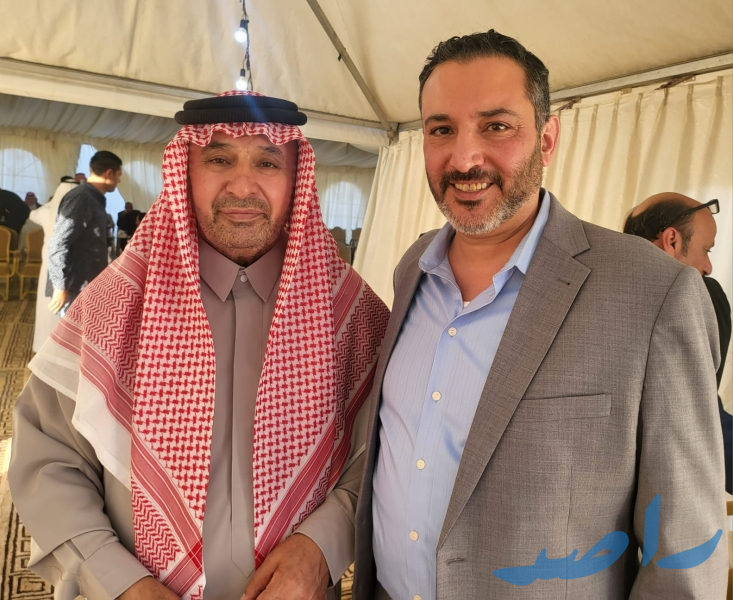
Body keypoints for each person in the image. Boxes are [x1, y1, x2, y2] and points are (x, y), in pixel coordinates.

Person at [352, 30, 727, 599]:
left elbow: (685, 557)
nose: (465, 157)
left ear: (547, 140)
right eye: (441, 129)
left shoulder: (654, 293)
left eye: (496, 126)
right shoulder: (414, 269)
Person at [9, 92, 389, 600]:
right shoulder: (114, 304)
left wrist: (322, 547)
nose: (243, 186)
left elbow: (383, 454)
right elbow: (48, 459)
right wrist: (119, 581)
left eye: (267, 162)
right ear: (184, 171)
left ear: (296, 177)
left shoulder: (350, 312)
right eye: (219, 159)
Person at [624, 192, 732, 494]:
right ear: (671, 240)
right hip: (665, 491)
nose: (708, 266)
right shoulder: (701, 294)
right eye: (706, 250)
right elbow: (696, 412)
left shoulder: (584, 288)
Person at [46, 150, 122, 314]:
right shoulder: (82, 198)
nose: (119, 180)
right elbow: (59, 242)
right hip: (75, 287)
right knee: (74, 330)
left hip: (86, 285)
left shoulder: (92, 198)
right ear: (109, 173)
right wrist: (60, 286)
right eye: (119, 175)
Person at [28, 177, 80, 352]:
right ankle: (64, 348)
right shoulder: (80, 210)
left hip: (50, 265)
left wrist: (49, 204)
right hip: (73, 265)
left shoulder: (47, 210)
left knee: (48, 306)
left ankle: (44, 345)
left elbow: (32, 215)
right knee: (69, 306)